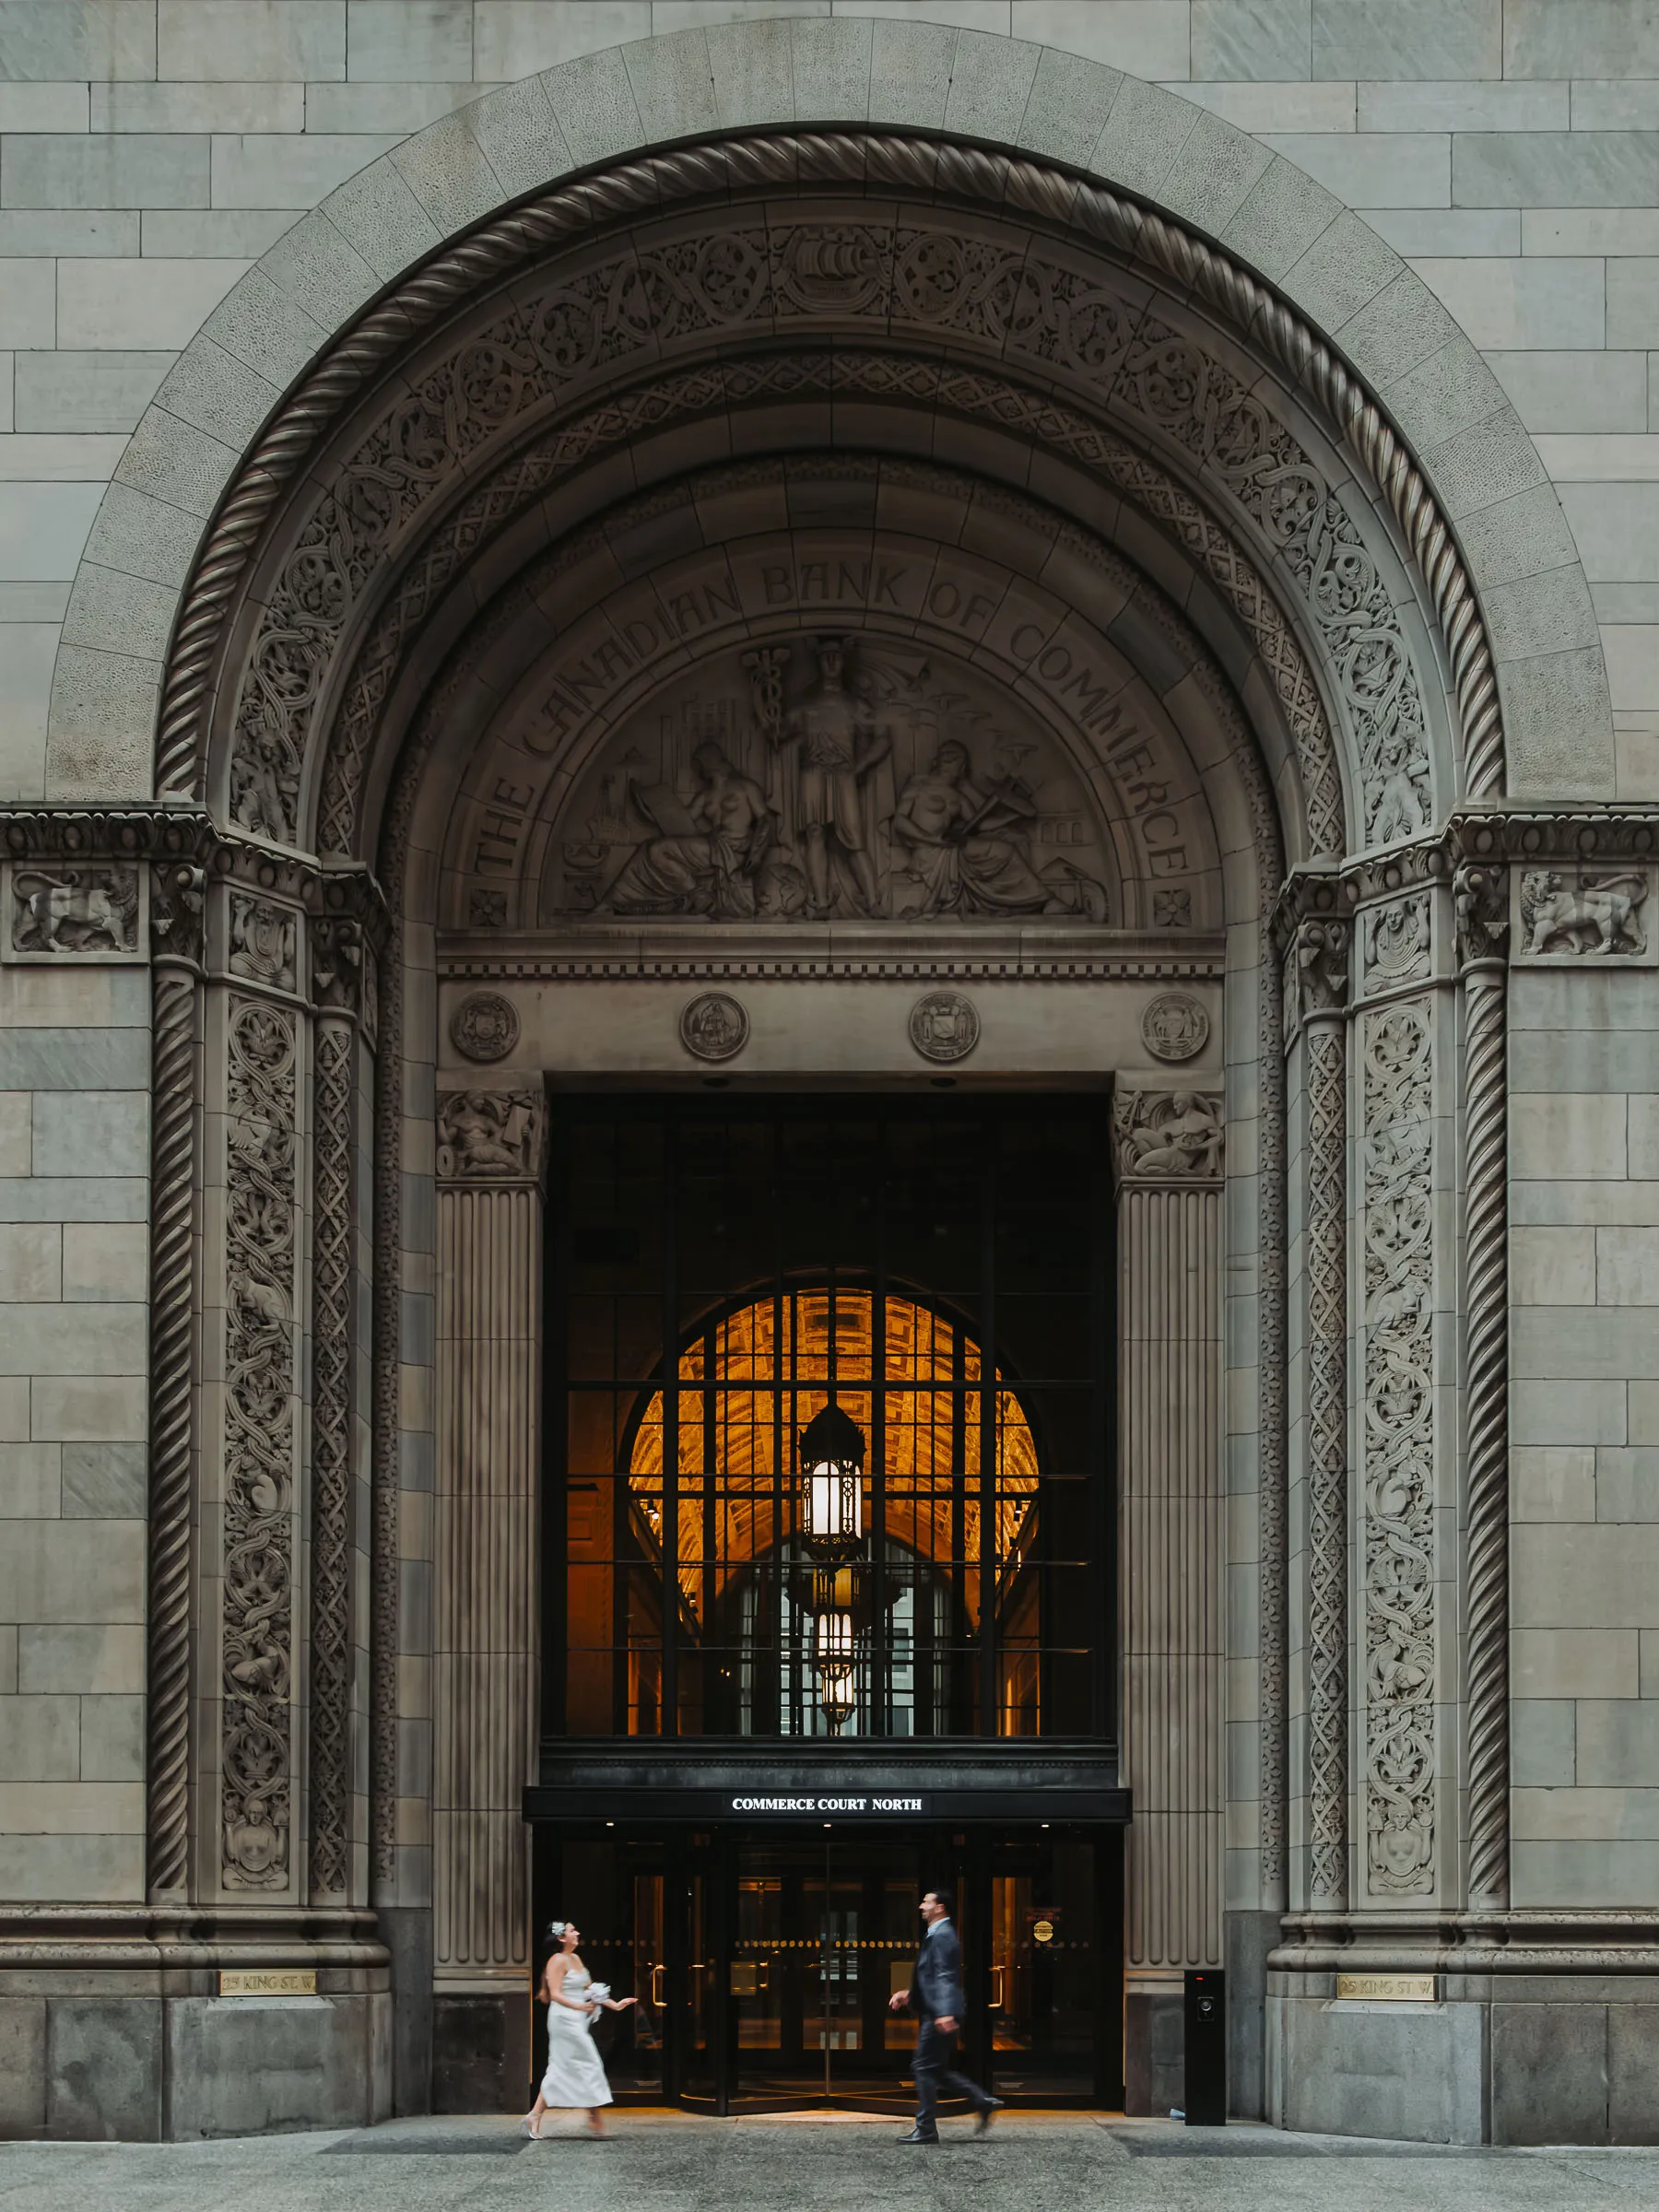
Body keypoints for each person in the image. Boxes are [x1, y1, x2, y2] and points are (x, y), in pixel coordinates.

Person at [887, 1888, 1003, 2144]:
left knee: (923, 2066)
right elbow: (931, 1974)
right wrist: (910, 1994)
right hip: (937, 2010)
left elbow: (946, 1976)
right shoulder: (937, 1934)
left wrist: (945, 2011)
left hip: (938, 2013)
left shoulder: (943, 1936)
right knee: (936, 2069)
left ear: (939, 1907)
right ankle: (982, 2101)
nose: (921, 1906)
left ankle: (926, 2127)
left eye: (926, 1902)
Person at [524, 1919, 637, 2140]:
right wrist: (579, 2006)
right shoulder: (556, 1960)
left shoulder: (575, 1958)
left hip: (576, 2018)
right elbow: (555, 1994)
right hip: (563, 2019)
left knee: (564, 2066)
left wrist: (614, 2004)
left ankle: (537, 2114)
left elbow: (591, 1989)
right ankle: (593, 2117)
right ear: (561, 1938)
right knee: (588, 2062)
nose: (577, 1932)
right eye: (572, 1930)